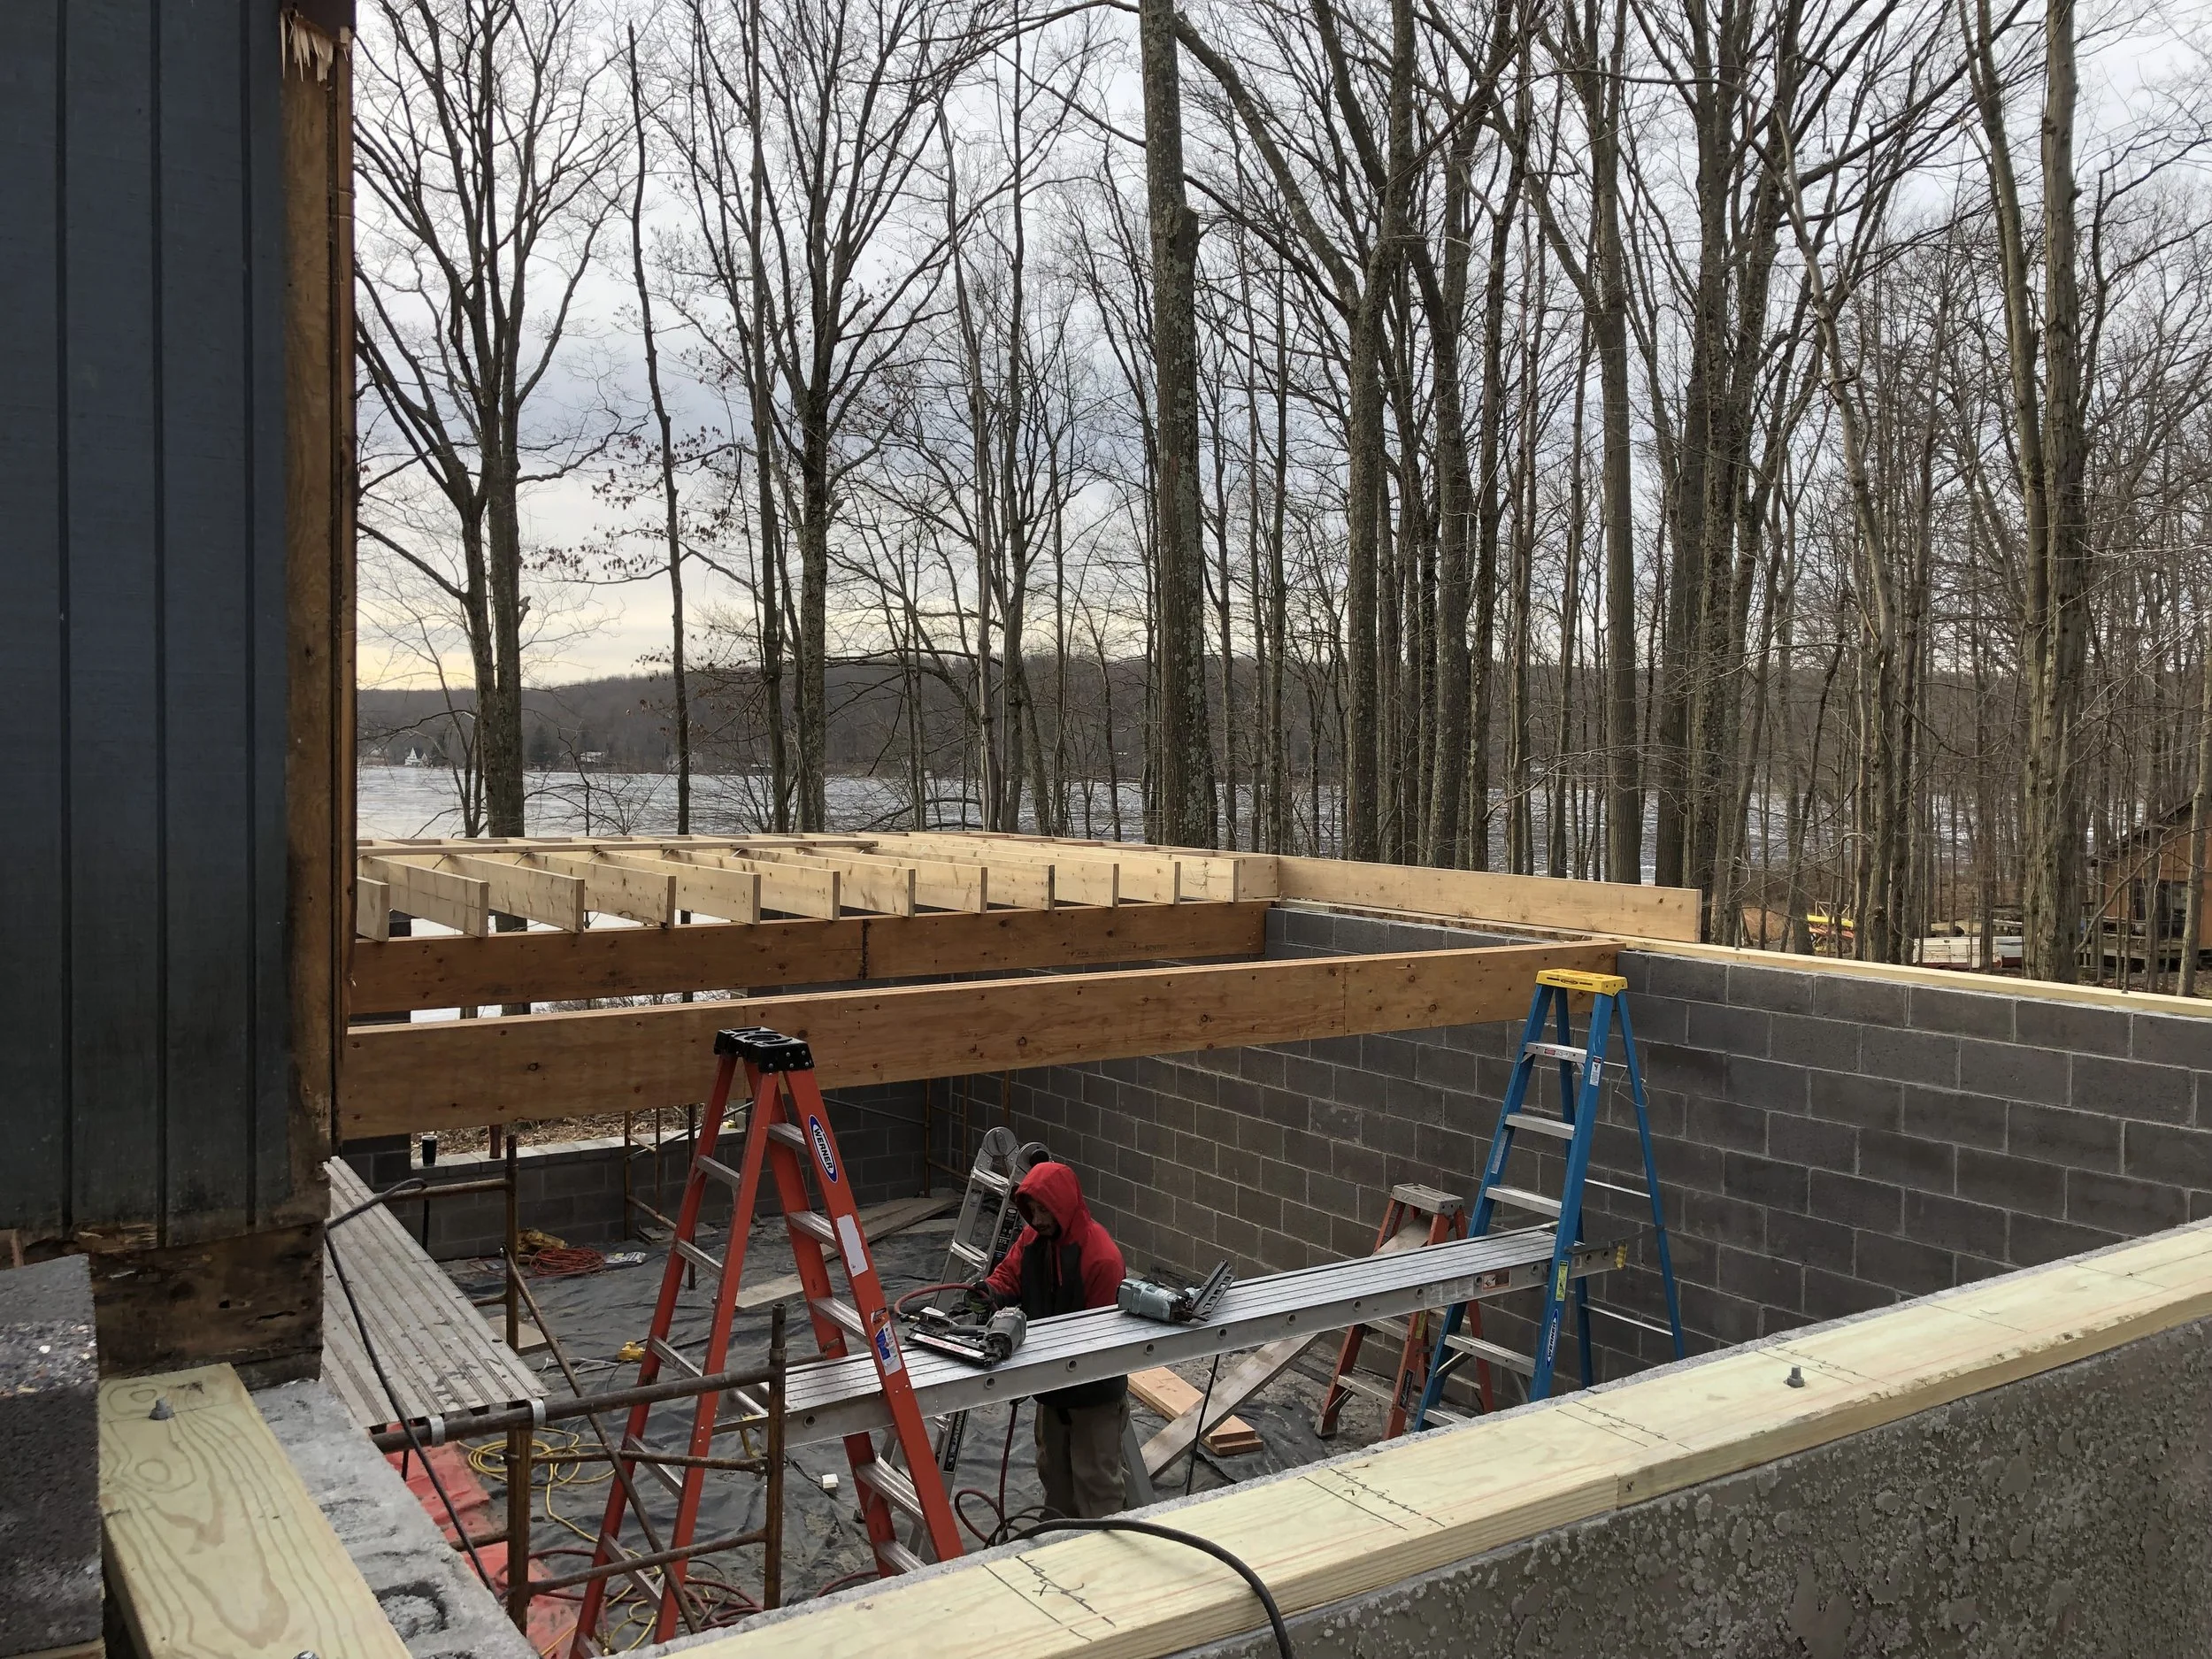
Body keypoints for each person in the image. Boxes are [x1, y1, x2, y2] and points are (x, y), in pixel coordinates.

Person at [973, 1160, 1129, 1519]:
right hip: (1051, 1386)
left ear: (1064, 1205)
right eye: (1033, 1210)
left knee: (1097, 1487)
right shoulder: (1033, 1240)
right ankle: (1059, 1555)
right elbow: (1009, 1277)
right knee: (1055, 1481)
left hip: (1093, 1393)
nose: (1038, 1218)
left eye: (1045, 1209)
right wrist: (990, 1293)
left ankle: (1107, 1563)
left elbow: (1105, 1336)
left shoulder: (1101, 1258)